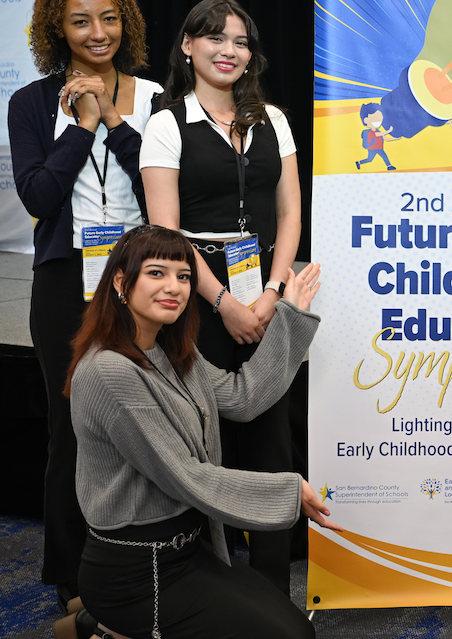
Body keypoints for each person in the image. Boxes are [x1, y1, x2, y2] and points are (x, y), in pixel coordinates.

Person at [57, 225, 337, 639]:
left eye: (184, 276)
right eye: (156, 273)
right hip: (138, 572)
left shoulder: (172, 351)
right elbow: (187, 477)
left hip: (187, 551)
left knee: (295, 629)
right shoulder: (108, 371)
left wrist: (290, 316)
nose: (174, 287)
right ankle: (105, 625)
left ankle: (95, 625)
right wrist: (288, 491)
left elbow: (243, 397)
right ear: (120, 281)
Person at [8, 0, 162, 612]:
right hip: (64, 278)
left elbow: (160, 192)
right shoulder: (30, 103)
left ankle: (153, 555)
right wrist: (81, 126)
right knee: (70, 429)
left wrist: (115, 121)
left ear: (125, 22)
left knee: (150, 423)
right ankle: (72, 578)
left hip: (143, 278)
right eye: (80, 21)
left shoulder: (155, 97)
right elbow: (39, 197)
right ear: (57, 29)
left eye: (108, 18)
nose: (98, 32)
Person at [140, 0, 302, 593]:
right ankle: (211, 588)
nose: (229, 51)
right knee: (203, 444)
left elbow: (289, 214)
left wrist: (272, 293)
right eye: (215, 38)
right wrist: (222, 304)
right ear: (188, 46)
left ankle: (272, 591)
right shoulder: (167, 123)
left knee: (271, 442)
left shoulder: (273, 119)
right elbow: (165, 232)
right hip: (194, 301)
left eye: (240, 41)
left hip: (264, 293)